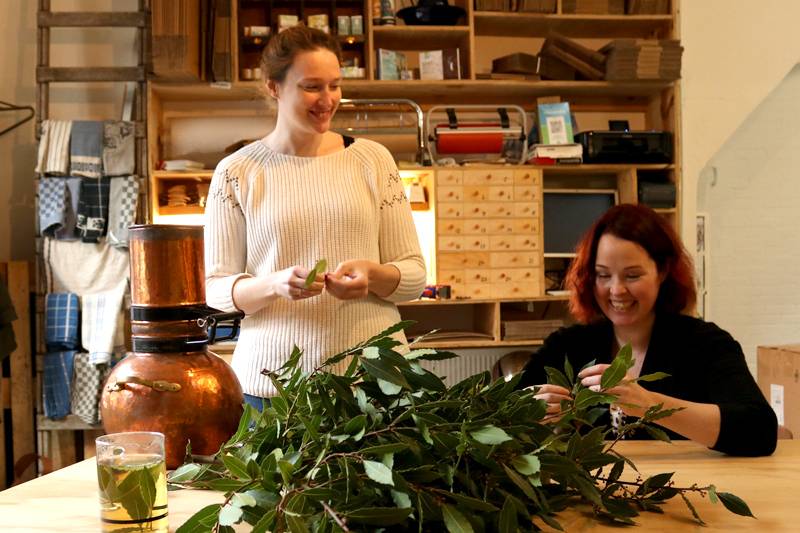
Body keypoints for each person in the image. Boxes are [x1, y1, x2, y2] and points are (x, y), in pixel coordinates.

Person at [204, 25, 426, 408]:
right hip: (275, 387)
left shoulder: (373, 160)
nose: (327, 100)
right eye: (311, 87)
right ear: (274, 87)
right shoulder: (236, 172)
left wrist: (373, 275)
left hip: (374, 380)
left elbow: (415, 276)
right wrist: (274, 285)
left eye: (335, 85)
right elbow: (217, 291)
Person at [518, 204, 777, 456]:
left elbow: (760, 430)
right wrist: (527, 407)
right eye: (603, 275)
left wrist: (649, 404)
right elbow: (501, 410)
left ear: (662, 272)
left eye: (632, 276)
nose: (616, 290)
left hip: (690, 481)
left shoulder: (705, 343)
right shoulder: (569, 344)